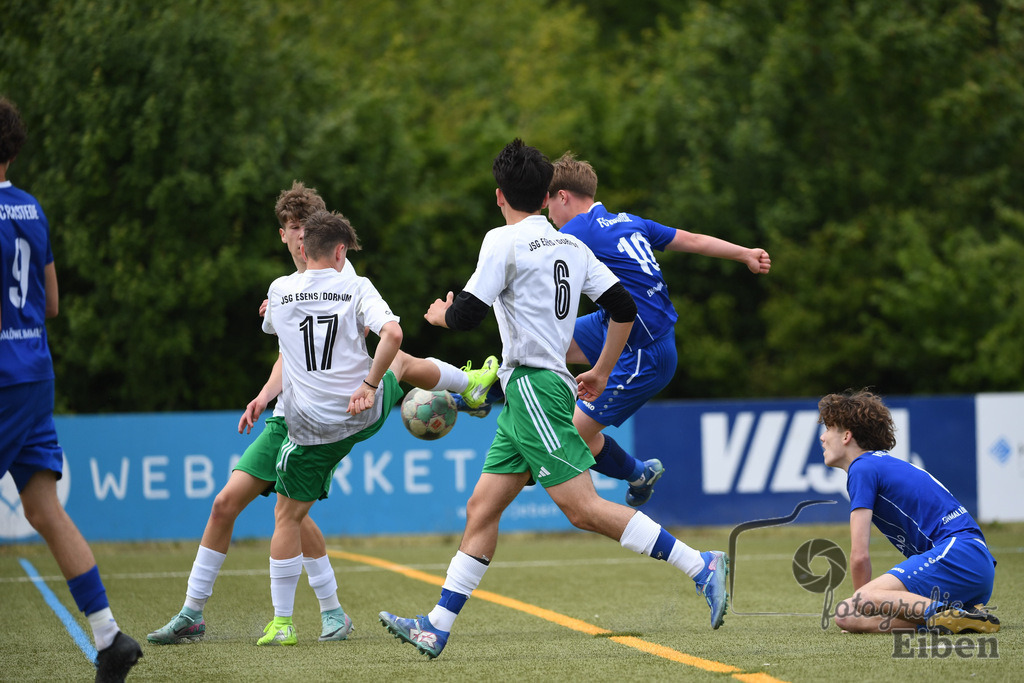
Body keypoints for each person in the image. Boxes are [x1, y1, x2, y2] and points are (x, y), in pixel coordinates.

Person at [379, 139, 730, 660]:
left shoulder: (502, 240)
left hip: (536, 389)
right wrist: (602, 371)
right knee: (482, 506)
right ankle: (435, 625)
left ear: (500, 195)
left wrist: (437, 316)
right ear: (546, 197)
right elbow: (622, 305)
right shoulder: (570, 245)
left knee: (583, 509)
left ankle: (700, 565)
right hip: (531, 388)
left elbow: (467, 315)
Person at [257, 209, 498, 646]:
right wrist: (369, 384)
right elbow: (392, 334)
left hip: (310, 428)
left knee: (286, 517)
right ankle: (472, 385)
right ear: (340, 252)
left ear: (302, 249)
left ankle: (283, 623)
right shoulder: (355, 285)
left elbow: (273, 324)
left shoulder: (278, 290)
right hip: (360, 411)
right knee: (399, 363)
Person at [148, 182, 355, 645]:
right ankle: (193, 613)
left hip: (320, 421)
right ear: (282, 235)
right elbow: (290, 354)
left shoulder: (339, 276)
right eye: (292, 228)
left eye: (307, 228)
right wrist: (264, 396)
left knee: (288, 513)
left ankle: (325, 614)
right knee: (229, 505)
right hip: (286, 416)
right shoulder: (286, 288)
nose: (301, 237)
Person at [0, 96, 143, 681]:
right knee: (42, 508)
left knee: (44, 509)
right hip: (34, 371)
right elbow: (51, 303)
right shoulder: (31, 209)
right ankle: (109, 637)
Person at [545, 152, 771, 506]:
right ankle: (478, 395)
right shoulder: (628, 221)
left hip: (645, 354)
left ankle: (638, 472)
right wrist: (744, 253)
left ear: (563, 197)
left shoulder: (576, 230)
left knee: (571, 435)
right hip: (616, 326)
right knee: (542, 344)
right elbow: (693, 240)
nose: (549, 216)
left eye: (548, 206)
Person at [818, 389, 999, 634]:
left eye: (828, 428)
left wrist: (864, 602)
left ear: (847, 436)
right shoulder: (882, 463)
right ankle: (961, 617)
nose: (823, 437)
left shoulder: (862, 468)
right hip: (976, 566)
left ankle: (942, 614)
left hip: (958, 555)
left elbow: (859, 555)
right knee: (846, 617)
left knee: (859, 602)